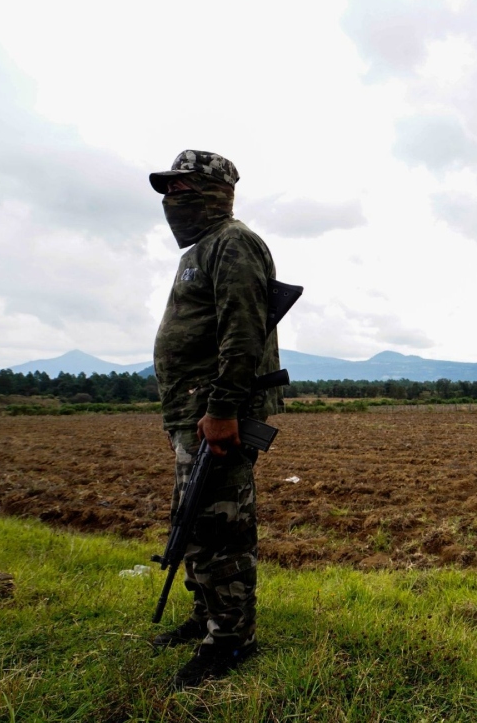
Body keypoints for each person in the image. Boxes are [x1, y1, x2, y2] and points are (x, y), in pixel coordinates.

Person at [148, 150, 281, 688]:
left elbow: (242, 332)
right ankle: (206, 616)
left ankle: (231, 639)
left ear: (214, 192)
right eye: (167, 190)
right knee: (195, 522)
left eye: (180, 189)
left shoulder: (233, 242)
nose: (170, 199)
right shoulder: (201, 250)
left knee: (220, 529)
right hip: (194, 412)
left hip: (217, 415)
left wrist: (223, 409)